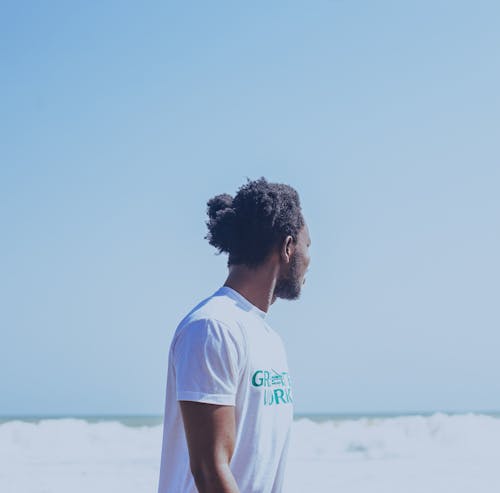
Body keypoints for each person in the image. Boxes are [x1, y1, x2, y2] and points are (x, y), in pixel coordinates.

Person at [157, 177, 311, 493]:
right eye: (308, 246)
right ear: (287, 247)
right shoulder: (212, 327)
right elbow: (210, 470)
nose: (310, 260)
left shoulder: (269, 339)